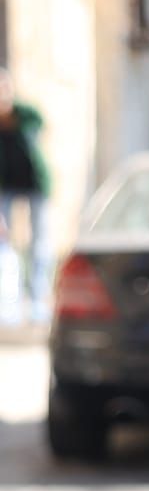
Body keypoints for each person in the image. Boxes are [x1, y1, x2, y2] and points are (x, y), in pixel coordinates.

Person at [0, 72, 52, 328]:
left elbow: (38, 129)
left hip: (34, 184)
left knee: (39, 242)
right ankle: (10, 301)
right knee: (5, 243)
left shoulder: (25, 114)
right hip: (6, 186)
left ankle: (37, 300)